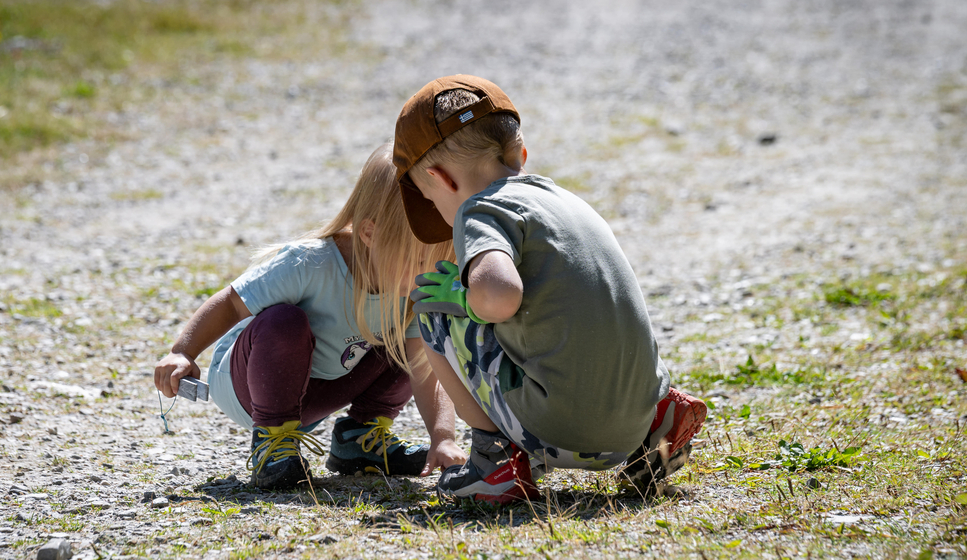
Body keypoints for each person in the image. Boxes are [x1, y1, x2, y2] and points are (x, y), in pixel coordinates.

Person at [391, 75, 707, 503]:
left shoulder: (477, 210)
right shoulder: (569, 203)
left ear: (442, 180)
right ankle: (658, 426)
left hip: (561, 432)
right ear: (519, 154)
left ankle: (494, 461)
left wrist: (463, 297)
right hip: (633, 418)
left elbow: (499, 295)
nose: (440, 214)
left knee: (432, 303)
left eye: (430, 201)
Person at [154, 142, 466, 490]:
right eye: (420, 261)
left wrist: (443, 437)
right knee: (284, 321)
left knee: (415, 338)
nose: (429, 273)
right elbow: (230, 302)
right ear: (369, 233)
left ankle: (359, 439)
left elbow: (427, 369)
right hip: (251, 384)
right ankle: (272, 442)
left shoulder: (408, 288)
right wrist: (182, 351)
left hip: (322, 389)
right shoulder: (310, 264)